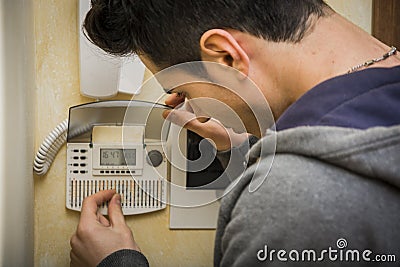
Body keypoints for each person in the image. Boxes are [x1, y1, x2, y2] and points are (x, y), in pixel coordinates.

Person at [70, 0, 400, 266]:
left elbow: (310, 195)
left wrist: (117, 263)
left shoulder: (290, 203)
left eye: (183, 91)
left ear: (225, 58)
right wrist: (248, 146)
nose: (191, 108)